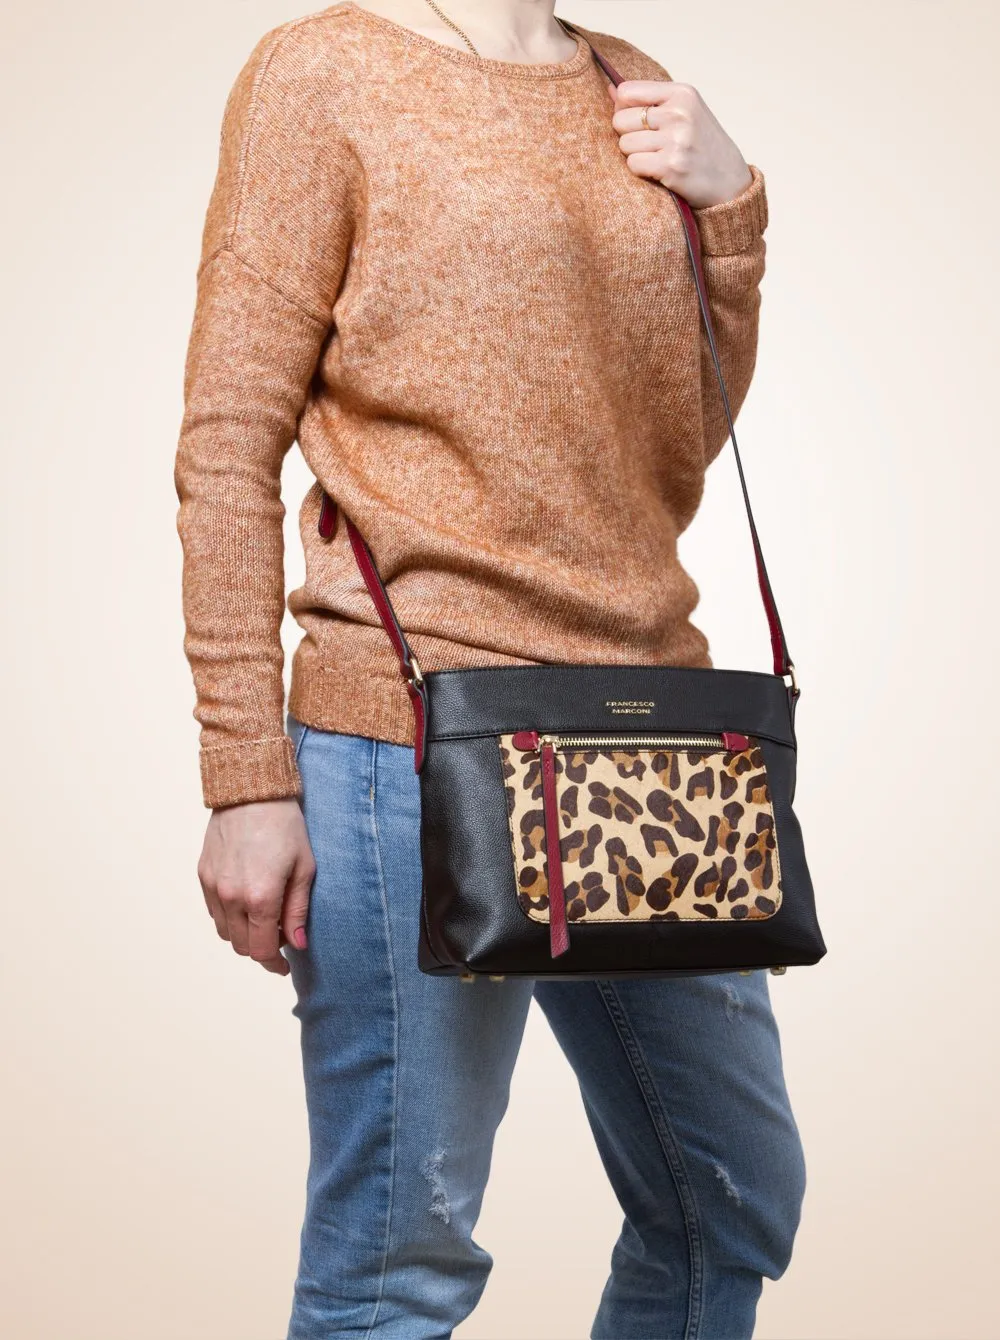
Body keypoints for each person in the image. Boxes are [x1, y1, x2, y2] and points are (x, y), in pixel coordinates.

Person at [174, 2, 807, 1336]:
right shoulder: (326, 72)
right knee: (399, 1258)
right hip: (411, 731)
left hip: (644, 741)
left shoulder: (632, 86)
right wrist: (246, 774)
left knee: (731, 1204)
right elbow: (227, 443)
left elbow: (673, 439)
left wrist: (729, 214)